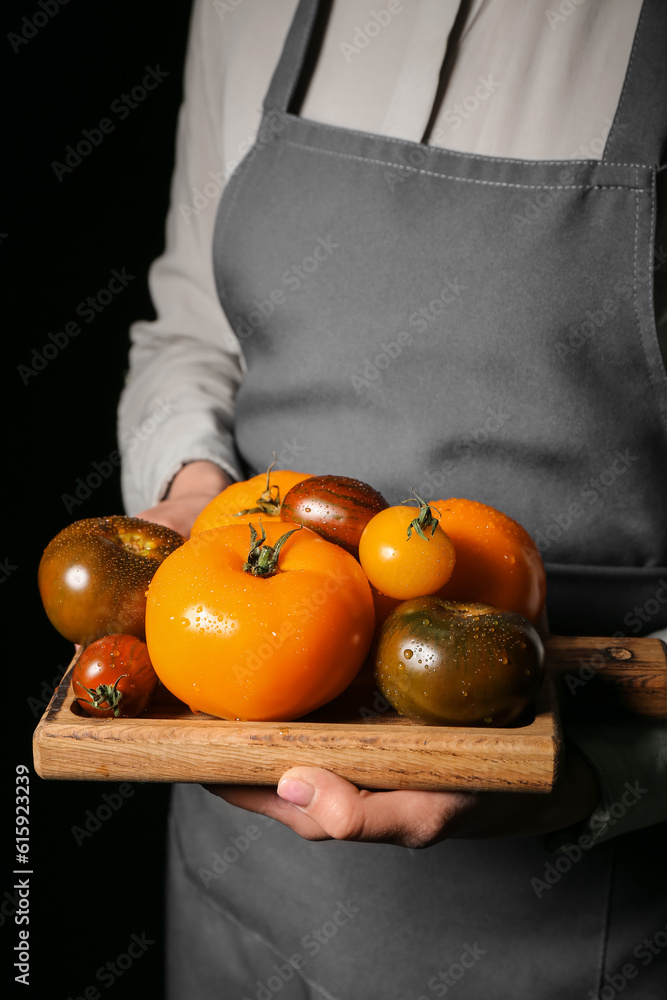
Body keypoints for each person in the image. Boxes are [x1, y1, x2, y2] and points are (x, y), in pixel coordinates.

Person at [118, 1, 667, 997]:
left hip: (578, 919)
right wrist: (190, 497)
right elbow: (195, 327)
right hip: (235, 894)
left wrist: (594, 768)